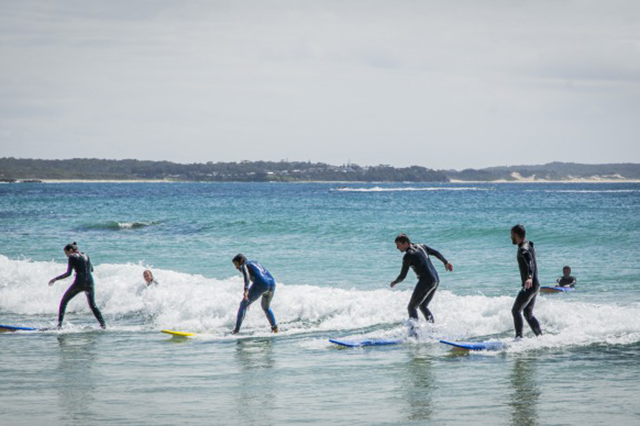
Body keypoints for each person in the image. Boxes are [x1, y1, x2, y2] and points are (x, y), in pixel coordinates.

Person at [390, 234, 453, 331]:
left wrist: (395, 282)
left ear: (406, 243)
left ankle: (414, 335)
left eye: (398, 245)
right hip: (435, 280)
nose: (397, 248)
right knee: (423, 306)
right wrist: (445, 262)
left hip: (426, 281)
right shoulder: (421, 246)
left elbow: (402, 276)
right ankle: (433, 330)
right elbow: (435, 252)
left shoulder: (408, 256)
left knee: (411, 307)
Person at [48, 242, 106, 329]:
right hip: (90, 283)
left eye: (66, 253)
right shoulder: (85, 255)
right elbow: (92, 269)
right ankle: (103, 325)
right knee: (92, 305)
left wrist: (55, 279)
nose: (67, 256)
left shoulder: (72, 257)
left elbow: (68, 273)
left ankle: (59, 326)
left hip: (79, 283)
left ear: (70, 250)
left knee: (64, 302)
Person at [232, 254, 278, 334]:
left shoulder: (244, 265)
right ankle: (275, 328)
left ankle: (236, 330)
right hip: (272, 283)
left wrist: (246, 290)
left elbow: (246, 276)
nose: (236, 267)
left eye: (236, 264)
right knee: (266, 307)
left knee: (243, 304)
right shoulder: (255, 262)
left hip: (261, 283)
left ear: (241, 260)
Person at [510, 225, 542, 339]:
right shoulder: (529, 244)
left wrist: (529, 277)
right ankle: (540, 337)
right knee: (528, 314)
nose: (510, 237)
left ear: (516, 235)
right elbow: (532, 248)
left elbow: (530, 263)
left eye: (511, 235)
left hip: (530, 285)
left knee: (515, 311)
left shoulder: (523, 249)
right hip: (536, 285)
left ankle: (518, 338)